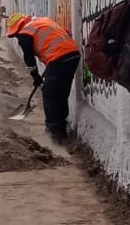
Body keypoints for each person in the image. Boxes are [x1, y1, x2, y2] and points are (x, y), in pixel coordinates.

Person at [6, 13, 80, 144]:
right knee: (61, 95)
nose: (17, 37)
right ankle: (61, 131)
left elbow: (29, 60)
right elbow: (65, 33)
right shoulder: (41, 21)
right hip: (73, 54)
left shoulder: (24, 34)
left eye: (15, 34)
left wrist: (35, 77)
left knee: (49, 95)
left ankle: (53, 136)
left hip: (59, 59)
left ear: (17, 28)